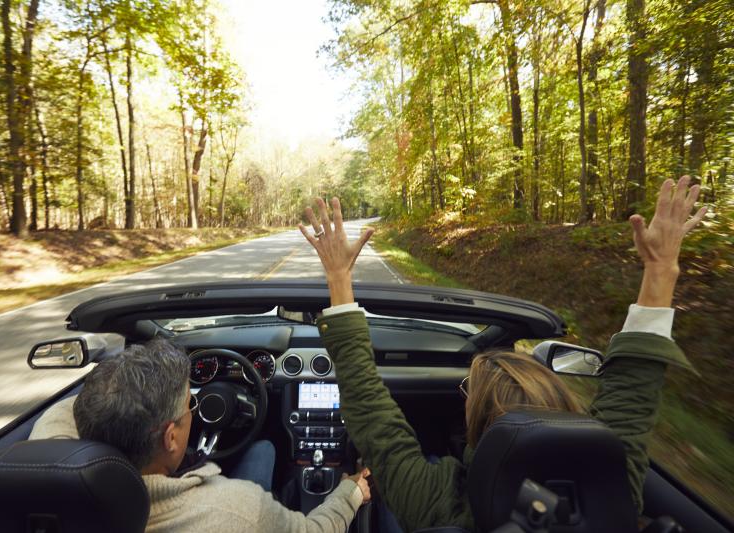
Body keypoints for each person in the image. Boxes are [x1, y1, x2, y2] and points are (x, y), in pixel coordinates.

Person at [298, 176, 705, 532]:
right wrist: (662, 268)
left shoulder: (443, 503)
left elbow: (370, 413)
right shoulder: (608, 485)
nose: (464, 396)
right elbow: (633, 392)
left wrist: (337, 275)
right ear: (561, 405)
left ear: (478, 421)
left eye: (467, 391)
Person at [29, 339, 371, 533]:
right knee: (264, 449)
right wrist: (351, 492)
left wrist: (124, 378)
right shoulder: (238, 510)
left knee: (265, 447)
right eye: (191, 402)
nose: (195, 406)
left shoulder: (46, 460)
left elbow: (73, 407)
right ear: (171, 439)